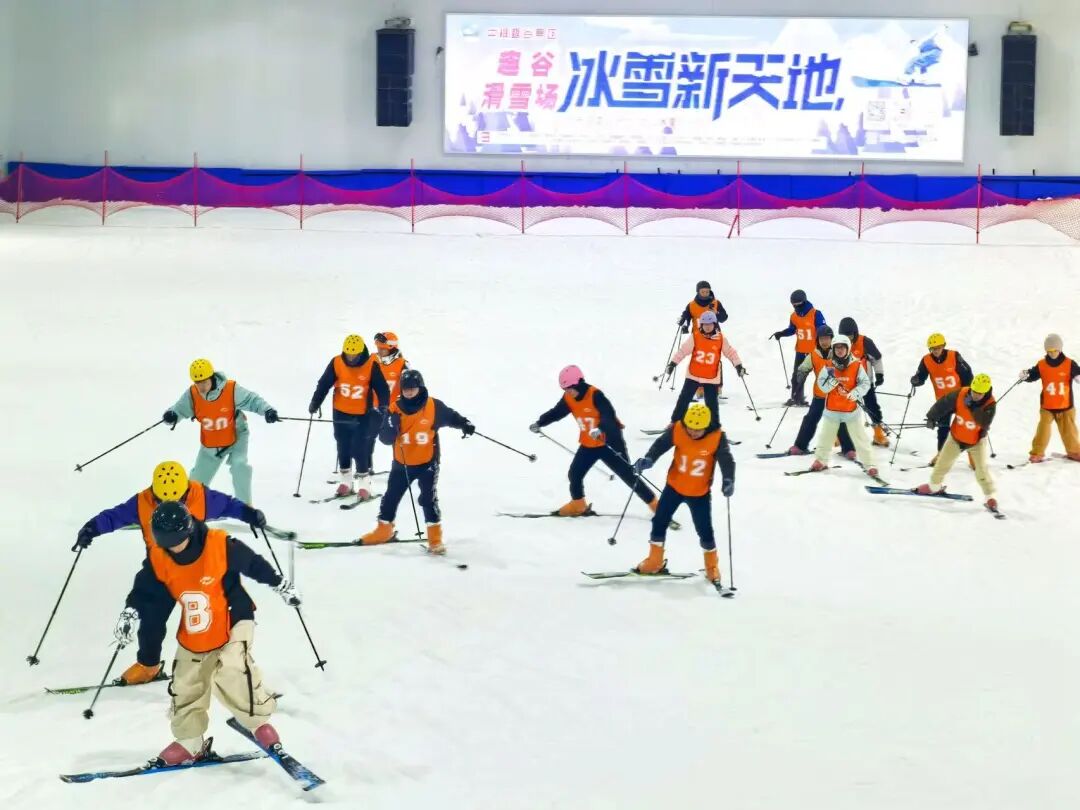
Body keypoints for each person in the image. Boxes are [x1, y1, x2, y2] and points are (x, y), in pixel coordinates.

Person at [115, 501, 299, 766]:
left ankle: (258, 723)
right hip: (197, 626)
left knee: (233, 669)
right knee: (186, 681)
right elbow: (145, 590)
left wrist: (280, 584)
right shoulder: (159, 557)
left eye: (177, 542)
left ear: (188, 531)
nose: (174, 549)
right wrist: (130, 611)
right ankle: (190, 741)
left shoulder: (219, 545)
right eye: (167, 544)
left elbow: (253, 564)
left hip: (233, 616)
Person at [74, 461, 265, 686]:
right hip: (160, 569)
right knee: (150, 618)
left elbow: (228, 505)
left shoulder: (201, 496)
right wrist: (91, 528)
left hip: (199, 568)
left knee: (212, 617)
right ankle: (148, 666)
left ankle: (227, 664)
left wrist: (250, 514)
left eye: (179, 499)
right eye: (160, 500)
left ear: (186, 491)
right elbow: (114, 516)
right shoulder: (142, 502)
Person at [360, 369, 474, 554]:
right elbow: (385, 439)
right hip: (402, 463)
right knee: (391, 497)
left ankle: (435, 539)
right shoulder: (394, 409)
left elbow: (451, 416)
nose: (409, 392)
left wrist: (464, 423)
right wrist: (391, 425)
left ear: (420, 388)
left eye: (413, 388)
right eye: (406, 389)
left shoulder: (433, 406)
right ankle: (384, 530)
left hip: (427, 463)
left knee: (428, 499)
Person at [530, 365, 658, 517]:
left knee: (628, 476)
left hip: (609, 443)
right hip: (589, 444)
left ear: (579, 383)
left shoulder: (595, 395)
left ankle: (656, 506)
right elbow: (557, 412)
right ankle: (578, 505)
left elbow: (608, 415)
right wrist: (540, 422)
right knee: (574, 474)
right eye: (565, 389)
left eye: (570, 388)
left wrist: (601, 429)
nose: (568, 392)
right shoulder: (569, 398)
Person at [631, 403, 735, 585]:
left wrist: (728, 479)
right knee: (659, 521)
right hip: (674, 487)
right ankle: (654, 561)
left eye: (698, 429)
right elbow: (660, 445)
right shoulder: (678, 429)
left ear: (707, 426)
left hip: (699, 493)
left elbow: (727, 460)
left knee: (704, 530)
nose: (692, 432)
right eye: (690, 428)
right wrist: (649, 459)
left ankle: (711, 567)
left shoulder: (717, 437)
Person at [163, 359, 278, 506]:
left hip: (237, 435)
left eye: (204, 382)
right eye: (198, 383)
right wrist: (172, 415)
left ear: (211, 378)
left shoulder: (230, 390)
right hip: (212, 442)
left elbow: (252, 400)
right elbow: (179, 410)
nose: (201, 387)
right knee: (197, 481)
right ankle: (187, 508)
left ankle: (245, 508)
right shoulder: (192, 394)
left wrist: (267, 410)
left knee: (239, 466)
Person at [308, 335, 390, 500]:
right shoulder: (337, 362)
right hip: (340, 412)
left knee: (359, 447)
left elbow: (382, 389)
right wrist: (315, 402)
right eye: (348, 354)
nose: (351, 358)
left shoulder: (371, 364)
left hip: (362, 415)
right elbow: (324, 384)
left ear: (360, 352)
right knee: (342, 446)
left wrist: (383, 407)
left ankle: (364, 484)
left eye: (354, 355)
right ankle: (346, 481)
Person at [916, 374, 997, 510]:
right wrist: (931, 417)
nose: (976, 395)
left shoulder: (990, 404)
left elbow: (984, 422)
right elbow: (944, 404)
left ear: (986, 392)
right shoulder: (961, 394)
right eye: (974, 391)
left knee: (981, 470)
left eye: (980, 393)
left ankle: (990, 497)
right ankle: (934, 487)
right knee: (942, 464)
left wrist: (972, 407)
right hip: (956, 437)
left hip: (976, 441)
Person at [809, 335, 880, 478]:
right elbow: (821, 384)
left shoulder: (856, 365)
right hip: (832, 410)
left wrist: (856, 392)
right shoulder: (829, 365)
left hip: (850, 411)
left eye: (842, 347)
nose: (839, 350)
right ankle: (821, 460)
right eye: (837, 348)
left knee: (860, 438)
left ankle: (870, 464)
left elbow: (865, 383)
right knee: (826, 437)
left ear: (848, 349)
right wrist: (830, 384)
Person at [665, 310, 745, 429]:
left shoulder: (721, 339)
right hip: (694, 374)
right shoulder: (695, 336)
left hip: (711, 377)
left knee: (712, 404)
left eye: (710, 324)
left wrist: (738, 366)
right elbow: (683, 351)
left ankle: (714, 427)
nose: (707, 327)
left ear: (715, 324)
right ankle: (675, 423)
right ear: (701, 325)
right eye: (705, 324)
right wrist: (673, 364)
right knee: (684, 399)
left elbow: (730, 352)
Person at [788, 326, 854, 457]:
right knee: (810, 419)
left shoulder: (838, 353)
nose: (824, 342)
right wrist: (801, 374)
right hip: (820, 395)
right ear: (817, 340)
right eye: (821, 339)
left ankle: (849, 449)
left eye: (827, 339)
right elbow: (804, 367)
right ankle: (800, 446)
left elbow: (850, 366)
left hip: (836, 395)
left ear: (832, 339)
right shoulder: (814, 355)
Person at [910, 333, 973, 462]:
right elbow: (921, 377)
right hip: (943, 401)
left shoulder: (954, 356)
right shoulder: (926, 360)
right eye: (933, 348)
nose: (936, 351)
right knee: (943, 428)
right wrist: (916, 380)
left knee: (966, 427)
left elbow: (968, 376)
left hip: (960, 397)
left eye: (938, 347)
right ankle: (941, 455)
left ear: (943, 346)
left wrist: (969, 396)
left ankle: (973, 456)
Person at [1019, 333, 1080, 462]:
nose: (1052, 354)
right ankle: (1037, 453)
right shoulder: (1042, 364)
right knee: (1043, 431)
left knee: (1069, 431)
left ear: (1060, 349)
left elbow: (1078, 374)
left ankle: (1074, 452)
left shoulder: (1069, 364)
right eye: (1049, 351)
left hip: (1065, 406)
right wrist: (1026, 375)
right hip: (1047, 406)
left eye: (1055, 350)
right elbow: (1033, 374)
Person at [361, 331, 409, 474]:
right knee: (367, 436)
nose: (379, 351)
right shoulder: (371, 360)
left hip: (392, 410)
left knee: (396, 438)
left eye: (383, 348)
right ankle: (365, 467)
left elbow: (410, 386)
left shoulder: (402, 364)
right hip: (372, 408)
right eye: (378, 347)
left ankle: (399, 466)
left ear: (392, 348)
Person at [838, 317, 889, 448]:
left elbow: (877, 358)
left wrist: (879, 374)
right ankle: (839, 436)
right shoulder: (838, 344)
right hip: (846, 383)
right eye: (845, 336)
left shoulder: (865, 342)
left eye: (850, 336)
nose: (848, 339)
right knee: (841, 408)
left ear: (855, 333)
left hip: (865, 382)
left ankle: (878, 434)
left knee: (872, 407)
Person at [771, 289, 827, 406]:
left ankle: (826, 399)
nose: (796, 307)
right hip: (801, 351)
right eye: (794, 305)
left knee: (821, 376)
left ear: (804, 302)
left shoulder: (815, 314)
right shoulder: (794, 316)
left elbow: (823, 330)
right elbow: (792, 329)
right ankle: (797, 399)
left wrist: (824, 344)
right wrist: (781, 333)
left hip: (815, 352)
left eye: (798, 304)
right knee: (797, 377)